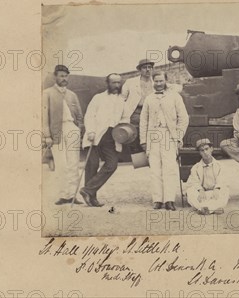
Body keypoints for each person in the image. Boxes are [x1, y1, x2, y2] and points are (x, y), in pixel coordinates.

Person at [140, 70, 189, 211]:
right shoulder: (149, 99)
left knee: (170, 168)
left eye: (161, 81)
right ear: (153, 82)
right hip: (153, 135)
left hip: (169, 135)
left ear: (166, 81)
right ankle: (157, 200)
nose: (159, 84)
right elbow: (143, 121)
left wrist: (178, 136)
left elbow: (183, 118)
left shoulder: (175, 97)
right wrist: (144, 140)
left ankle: (169, 200)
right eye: (156, 81)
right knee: (155, 169)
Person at [79, 73, 127, 207]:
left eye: (119, 82)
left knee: (112, 164)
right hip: (95, 135)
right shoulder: (98, 98)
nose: (117, 85)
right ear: (107, 83)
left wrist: (123, 133)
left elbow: (124, 118)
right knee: (92, 165)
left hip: (112, 136)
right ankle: (92, 198)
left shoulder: (122, 101)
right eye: (113, 83)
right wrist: (91, 131)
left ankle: (87, 190)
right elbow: (89, 115)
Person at [43, 65, 84, 205]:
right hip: (56, 130)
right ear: (55, 76)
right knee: (61, 164)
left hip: (71, 129)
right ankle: (63, 194)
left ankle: (73, 195)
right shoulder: (47, 93)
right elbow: (44, 117)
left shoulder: (72, 94)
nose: (64, 78)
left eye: (66, 76)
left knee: (73, 163)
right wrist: (47, 136)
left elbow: (79, 115)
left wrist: (78, 129)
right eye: (61, 76)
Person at [186, 138, 229, 215]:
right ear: (199, 152)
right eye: (202, 150)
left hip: (214, 193)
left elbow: (222, 180)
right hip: (203, 194)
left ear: (211, 149)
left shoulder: (220, 165)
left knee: (225, 190)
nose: (205, 152)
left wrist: (217, 189)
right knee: (190, 191)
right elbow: (194, 181)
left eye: (206, 149)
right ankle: (211, 209)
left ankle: (205, 209)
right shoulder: (196, 167)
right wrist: (200, 190)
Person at [121, 59, 155, 126]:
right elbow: (122, 99)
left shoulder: (156, 82)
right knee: (134, 133)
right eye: (144, 67)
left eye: (149, 67)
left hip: (152, 113)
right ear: (140, 70)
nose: (147, 69)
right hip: (135, 113)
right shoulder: (130, 82)